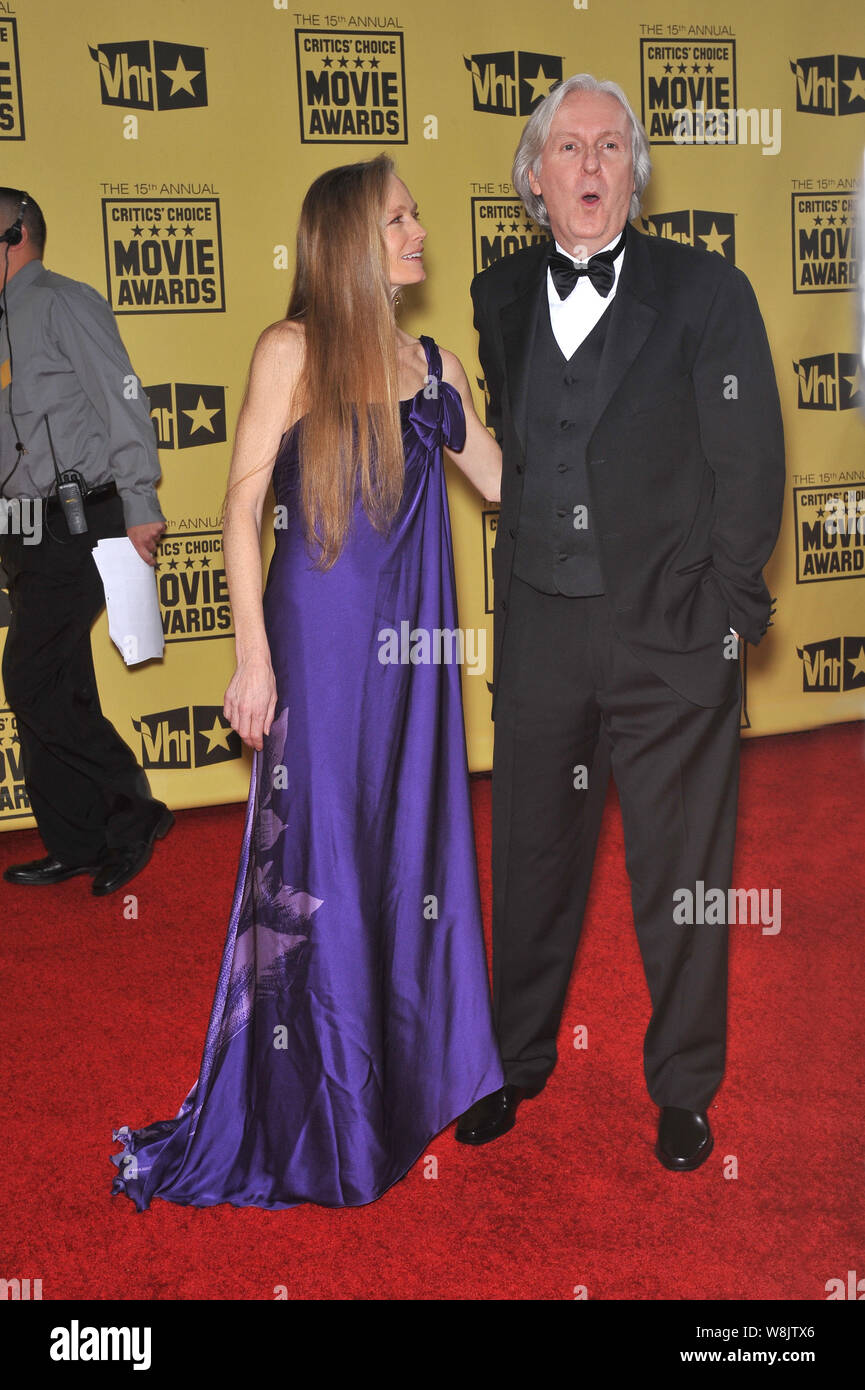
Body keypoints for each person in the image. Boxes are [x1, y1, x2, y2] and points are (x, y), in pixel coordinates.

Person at [110, 155, 505, 1210]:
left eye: (417, 216)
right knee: (323, 858)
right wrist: (252, 656)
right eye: (400, 218)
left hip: (413, 663)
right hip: (319, 649)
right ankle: (324, 1114)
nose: (418, 232)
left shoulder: (437, 365)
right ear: (347, 239)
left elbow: (505, 483)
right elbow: (242, 509)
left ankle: (411, 1081)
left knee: (409, 846)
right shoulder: (289, 351)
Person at [456, 74, 785, 1170]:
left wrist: (727, 620)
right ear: (533, 180)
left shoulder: (705, 290)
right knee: (533, 860)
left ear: (632, 176)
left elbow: (749, 466)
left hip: (670, 635)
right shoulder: (498, 293)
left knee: (680, 874)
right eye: (568, 149)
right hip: (544, 636)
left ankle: (685, 1086)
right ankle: (514, 1061)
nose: (590, 166)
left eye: (610, 148)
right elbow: (519, 449)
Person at [0, 189, 173, 897]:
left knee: (31, 677)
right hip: (22, 528)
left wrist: (141, 502)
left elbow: (123, 396)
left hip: (84, 517)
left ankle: (136, 811)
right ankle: (78, 841)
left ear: (16, 232)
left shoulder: (64, 302)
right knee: (61, 679)